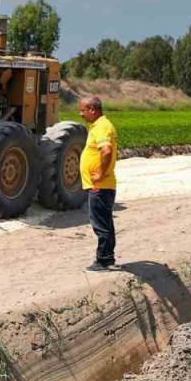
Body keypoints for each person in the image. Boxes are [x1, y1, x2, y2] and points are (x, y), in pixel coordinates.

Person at [78, 95, 118, 271]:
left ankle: (103, 260)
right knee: (105, 222)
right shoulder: (101, 125)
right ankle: (107, 258)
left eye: (83, 110)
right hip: (103, 185)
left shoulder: (101, 127)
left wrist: (100, 173)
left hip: (100, 186)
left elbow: (106, 151)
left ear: (93, 110)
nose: (81, 114)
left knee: (101, 224)